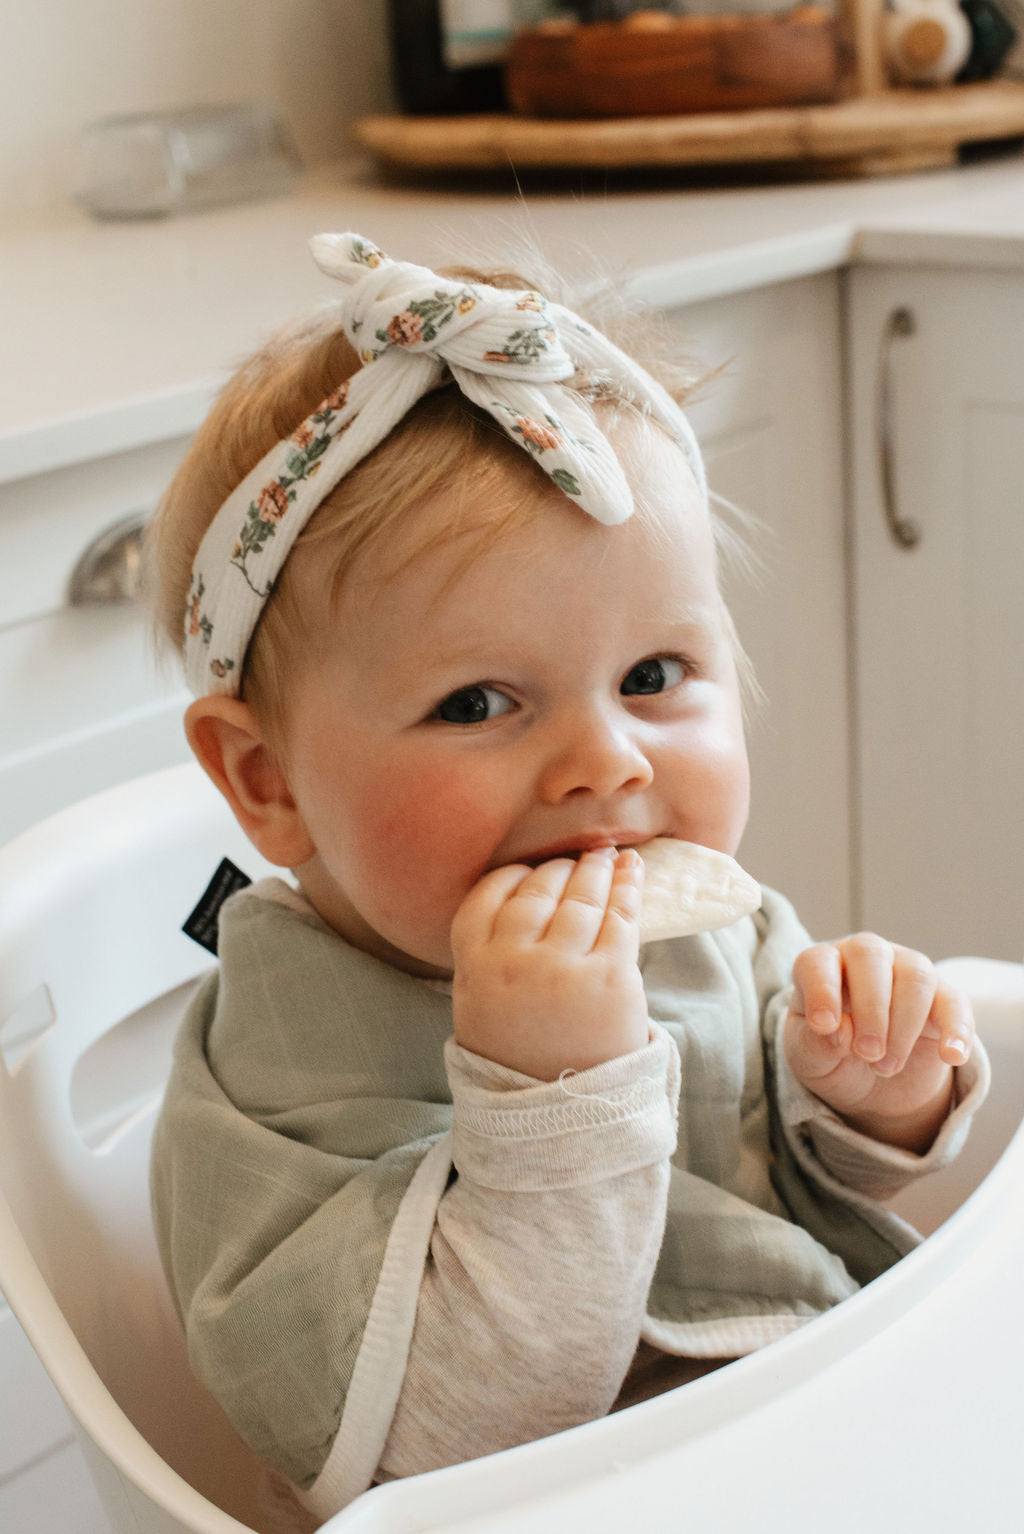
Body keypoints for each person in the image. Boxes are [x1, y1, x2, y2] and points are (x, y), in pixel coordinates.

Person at [148, 232, 989, 1529]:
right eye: (478, 701)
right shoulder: (278, 1070)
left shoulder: (701, 919)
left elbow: (770, 1171)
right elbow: (456, 1439)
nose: (605, 759)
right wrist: (557, 1092)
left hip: (800, 1425)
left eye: (654, 676)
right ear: (268, 782)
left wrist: (866, 1093)